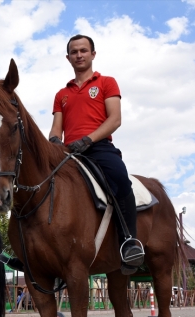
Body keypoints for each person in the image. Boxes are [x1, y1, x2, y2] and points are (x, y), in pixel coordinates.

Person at [48, 34, 144, 275]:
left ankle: (128, 242)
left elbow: (115, 119)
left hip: (99, 147)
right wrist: (52, 142)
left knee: (121, 180)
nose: (79, 55)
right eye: (74, 51)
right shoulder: (62, 94)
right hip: (69, 152)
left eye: (83, 50)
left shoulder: (107, 83)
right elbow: (56, 128)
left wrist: (89, 139)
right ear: (68, 57)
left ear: (93, 54)